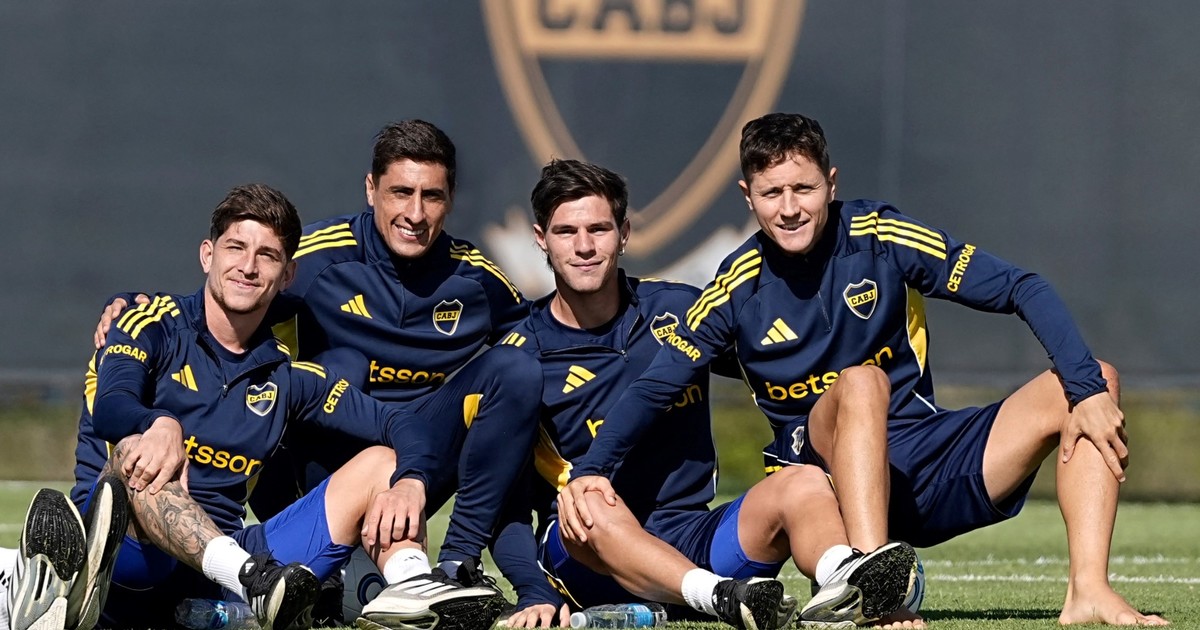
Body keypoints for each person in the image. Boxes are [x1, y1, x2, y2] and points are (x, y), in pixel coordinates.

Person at [559, 112, 1168, 627]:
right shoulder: (736, 287)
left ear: (831, 183)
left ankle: (1088, 590)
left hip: (925, 458)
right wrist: (589, 472)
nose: (789, 209)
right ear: (748, 197)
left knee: (1093, 380)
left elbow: (1021, 287)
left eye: (803, 189)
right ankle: (875, 585)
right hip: (827, 489)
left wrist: (1086, 389)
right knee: (860, 381)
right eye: (771, 194)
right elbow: (655, 386)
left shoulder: (881, 235)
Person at [369, 158, 917, 630]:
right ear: (541, 239)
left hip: (693, 532)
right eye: (566, 232)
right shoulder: (519, 357)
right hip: (589, 555)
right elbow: (506, 508)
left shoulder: (681, 311)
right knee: (589, 499)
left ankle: (853, 585)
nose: (585, 246)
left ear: (625, 232)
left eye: (599, 229)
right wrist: (533, 590)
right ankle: (717, 597)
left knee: (801, 483)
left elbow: (777, 365)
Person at [94, 120, 530, 622]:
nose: (414, 213)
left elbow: (538, 340)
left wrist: (412, 479)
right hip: (189, 536)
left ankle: (428, 582)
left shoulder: (474, 280)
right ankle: (270, 578)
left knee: (499, 382)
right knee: (140, 453)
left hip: (389, 484)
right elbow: (121, 398)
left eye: (430, 196)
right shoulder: (308, 265)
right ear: (371, 189)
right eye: (400, 192)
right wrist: (133, 319)